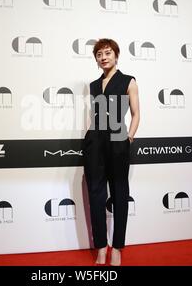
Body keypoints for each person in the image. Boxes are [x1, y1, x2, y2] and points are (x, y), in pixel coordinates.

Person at [82, 38, 140, 266]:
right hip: (95, 140)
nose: (103, 57)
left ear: (116, 55)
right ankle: (101, 247)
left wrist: (129, 138)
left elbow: (136, 114)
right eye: (99, 54)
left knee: (119, 192)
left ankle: (117, 247)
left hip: (118, 139)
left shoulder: (129, 81)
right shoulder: (94, 85)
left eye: (107, 53)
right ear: (96, 60)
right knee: (96, 195)